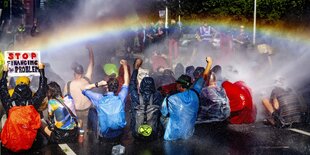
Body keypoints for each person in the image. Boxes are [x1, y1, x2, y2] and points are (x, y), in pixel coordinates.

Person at [160, 57, 213, 141]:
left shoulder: (170, 99)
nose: (175, 84)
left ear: (180, 86)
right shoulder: (195, 93)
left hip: (171, 137)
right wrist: (209, 63)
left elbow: (164, 113)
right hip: (188, 135)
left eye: (177, 83)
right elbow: (204, 77)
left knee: (162, 116)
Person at [0, 63, 47, 152]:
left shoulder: (9, 104)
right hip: (30, 144)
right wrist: (41, 71)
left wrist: (5, 72)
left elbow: (2, 89)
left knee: (4, 119)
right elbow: (42, 90)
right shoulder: (32, 104)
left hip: (11, 144)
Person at [82, 59, 129, 141]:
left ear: (106, 87)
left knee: (92, 110)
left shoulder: (99, 98)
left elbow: (84, 89)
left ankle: (89, 132)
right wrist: (125, 65)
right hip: (119, 134)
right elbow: (126, 82)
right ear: (117, 87)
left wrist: (98, 84)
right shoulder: (121, 97)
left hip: (105, 136)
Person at [129, 58, 164, 140]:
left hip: (136, 134)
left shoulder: (135, 97)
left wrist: (135, 70)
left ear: (141, 87)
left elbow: (132, 84)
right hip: (153, 133)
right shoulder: (157, 96)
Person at [63, 45, 94, 130]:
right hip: (87, 110)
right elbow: (91, 63)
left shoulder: (68, 84)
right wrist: (90, 50)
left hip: (75, 112)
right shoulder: (87, 79)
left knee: (77, 131)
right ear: (82, 73)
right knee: (86, 131)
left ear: (74, 73)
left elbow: (65, 100)